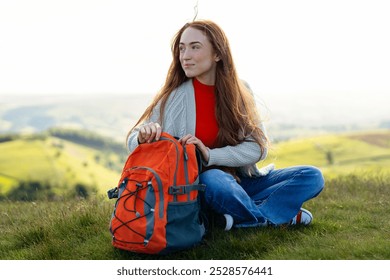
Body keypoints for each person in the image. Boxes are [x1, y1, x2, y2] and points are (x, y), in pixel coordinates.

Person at [126, 20, 324, 230]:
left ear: (218, 54)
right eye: (182, 48)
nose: (185, 55)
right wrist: (141, 136)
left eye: (195, 47)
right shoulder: (173, 97)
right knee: (215, 179)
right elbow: (133, 142)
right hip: (202, 187)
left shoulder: (241, 90)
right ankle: (270, 217)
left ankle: (238, 219)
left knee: (311, 176)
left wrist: (210, 155)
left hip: (243, 182)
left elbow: (258, 148)